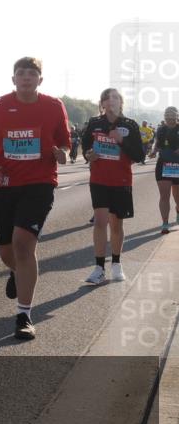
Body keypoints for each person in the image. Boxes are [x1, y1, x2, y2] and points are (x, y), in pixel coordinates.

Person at [0, 57, 70, 341]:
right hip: (5, 184)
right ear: (13, 79)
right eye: (21, 73)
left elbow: (64, 142)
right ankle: (18, 273)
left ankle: (24, 315)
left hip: (39, 184)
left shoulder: (53, 106)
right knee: (6, 252)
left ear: (40, 79)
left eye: (32, 73)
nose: (26, 77)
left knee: (23, 244)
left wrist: (63, 153)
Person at [81, 89, 144, 284]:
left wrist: (121, 140)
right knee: (100, 222)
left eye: (115, 97)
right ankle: (99, 268)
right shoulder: (94, 123)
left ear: (121, 103)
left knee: (116, 224)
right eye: (107, 98)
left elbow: (139, 155)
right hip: (99, 180)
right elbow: (85, 148)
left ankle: (116, 263)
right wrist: (88, 155)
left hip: (121, 181)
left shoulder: (130, 125)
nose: (111, 101)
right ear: (102, 103)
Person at [149, 106, 179, 234]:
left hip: (177, 164)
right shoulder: (161, 129)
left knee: (177, 196)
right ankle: (165, 223)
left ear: (177, 116)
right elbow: (157, 144)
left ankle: (178, 210)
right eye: (167, 116)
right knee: (164, 195)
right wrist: (153, 151)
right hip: (163, 164)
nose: (169, 118)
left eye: (172, 116)